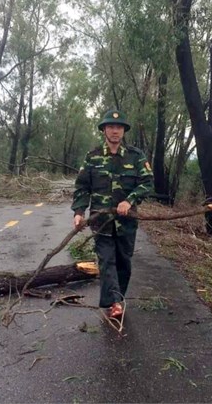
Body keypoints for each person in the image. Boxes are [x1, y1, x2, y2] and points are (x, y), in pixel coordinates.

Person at [71, 109, 153, 318]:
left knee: (123, 261)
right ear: (104, 130)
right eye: (111, 127)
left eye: (119, 128)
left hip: (126, 223)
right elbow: (82, 187)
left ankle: (118, 297)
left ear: (123, 131)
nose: (115, 131)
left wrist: (129, 200)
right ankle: (115, 303)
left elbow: (147, 183)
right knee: (106, 261)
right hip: (101, 221)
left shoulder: (136, 156)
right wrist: (79, 212)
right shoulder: (93, 157)